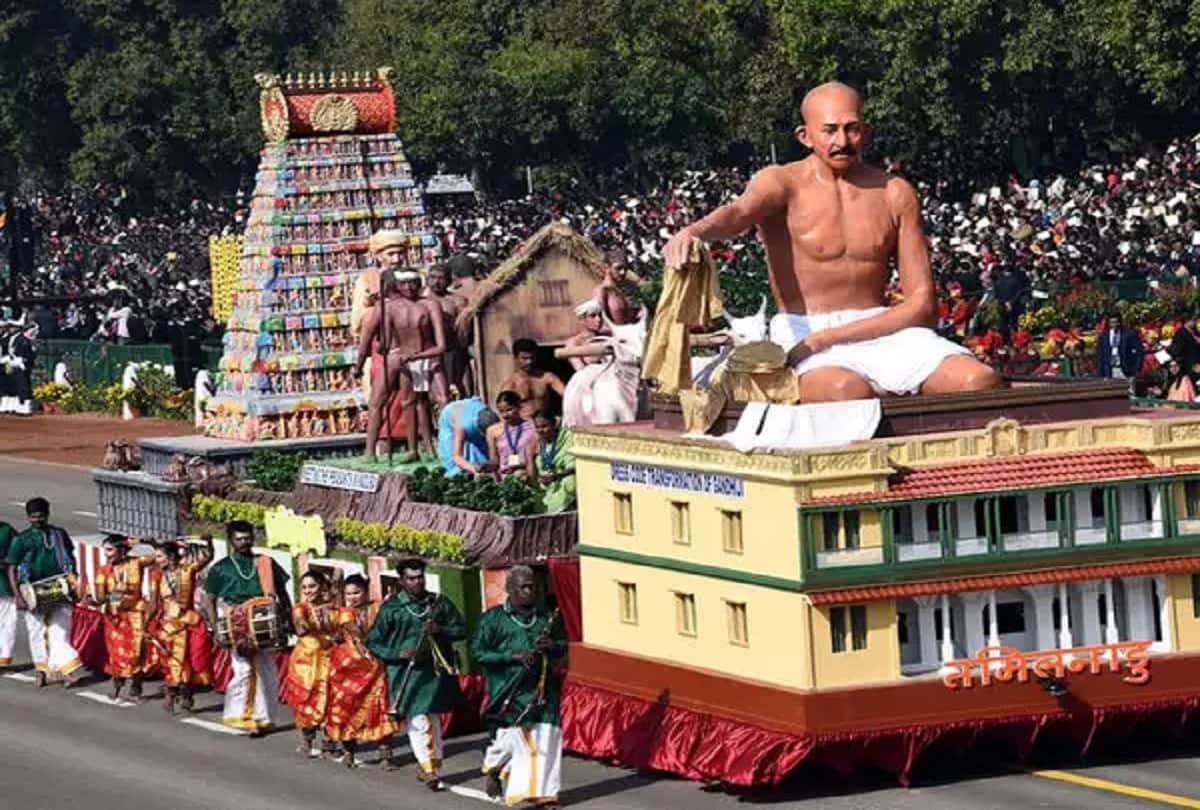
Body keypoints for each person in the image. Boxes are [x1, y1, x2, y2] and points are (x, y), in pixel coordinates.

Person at [662, 81, 1002, 401]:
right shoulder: (781, 183)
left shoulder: (895, 192)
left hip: (879, 329)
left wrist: (826, 339)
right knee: (847, 392)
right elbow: (738, 213)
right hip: (801, 330)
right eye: (830, 130)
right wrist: (693, 232)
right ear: (805, 136)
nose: (843, 140)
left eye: (852, 128)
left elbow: (922, 305)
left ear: (865, 132)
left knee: (977, 381)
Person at [365, 558, 466, 790]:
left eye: (420, 577)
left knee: (433, 721)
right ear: (401, 580)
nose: (417, 582)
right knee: (418, 720)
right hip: (405, 675)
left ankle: (430, 766)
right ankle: (429, 769)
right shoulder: (391, 609)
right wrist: (398, 653)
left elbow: (461, 629)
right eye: (411, 578)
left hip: (435, 672)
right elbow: (373, 641)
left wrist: (440, 631)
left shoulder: (438, 603)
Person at [471, 566, 567, 809]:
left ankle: (545, 794)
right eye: (524, 587)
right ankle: (494, 768)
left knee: (547, 737)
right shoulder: (492, 619)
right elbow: (478, 652)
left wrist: (552, 645)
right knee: (510, 741)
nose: (529, 591)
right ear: (510, 589)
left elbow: (563, 646)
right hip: (509, 691)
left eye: (532, 586)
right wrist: (512, 656)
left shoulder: (546, 617)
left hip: (544, 689)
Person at [204, 521, 291, 735]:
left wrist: (288, 619)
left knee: (266, 669)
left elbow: (282, 592)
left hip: (265, 621)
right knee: (244, 669)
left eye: (248, 538)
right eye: (239, 539)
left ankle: (264, 718)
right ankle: (245, 716)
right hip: (237, 624)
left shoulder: (265, 563)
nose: (244, 542)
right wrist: (216, 629)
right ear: (231, 541)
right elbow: (209, 600)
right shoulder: (221, 568)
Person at [354, 268, 447, 462]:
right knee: (399, 403)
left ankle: (422, 449)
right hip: (406, 358)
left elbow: (375, 342)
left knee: (413, 403)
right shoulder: (388, 308)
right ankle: (374, 452)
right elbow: (379, 341)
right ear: (396, 285)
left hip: (411, 358)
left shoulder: (419, 306)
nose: (408, 287)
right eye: (404, 283)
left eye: (412, 283)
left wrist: (361, 364)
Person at [6, 497, 86, 687]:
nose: (38, 520)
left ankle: (67, 671)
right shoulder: (22, 539)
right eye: (34, 517)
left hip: (61, 588)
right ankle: (42, 670)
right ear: (28, 517)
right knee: (37, 632)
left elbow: (71, 558)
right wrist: (17, 596)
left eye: (41, 516)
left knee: (60, 631)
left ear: (48, 515)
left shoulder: (59, 534)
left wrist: (74, 583)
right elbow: (12, 568)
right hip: (32, 592)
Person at [325, 574, 399, 769]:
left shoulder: (378, 608)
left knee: (381, 709)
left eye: (357, 592)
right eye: (348, 594)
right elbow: (346, 634)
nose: (353, 597)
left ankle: (385, 755)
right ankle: (349, 750)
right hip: (347, 668)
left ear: (365, 591)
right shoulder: (343, 613)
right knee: (346, 709)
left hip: (374, 666)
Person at [150, 537, 213, 714]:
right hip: (169, 625)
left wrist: (208, 543)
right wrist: (147, 625)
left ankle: (186, 693)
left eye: (160, 556)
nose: (157, 560)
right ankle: (171, 693)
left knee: (191, 660)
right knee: (172, 661)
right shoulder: (157, 575)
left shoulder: (188, 570)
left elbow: (208, 557)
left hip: (190, 622)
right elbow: (154, 604)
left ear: (171, 556)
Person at [283, 569, 337, 758]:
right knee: (307, 698)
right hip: (306, 660)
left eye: (312, 586)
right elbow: (300, 624)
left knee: (331, 698)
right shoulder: (301, 608)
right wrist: (305, 625)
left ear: (321, 586)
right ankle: (307, 738)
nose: (308, 591)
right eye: (304, 587)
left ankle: (329, 742)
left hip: (330, 657)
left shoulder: (333, 607)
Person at [93, 534, 154, 701]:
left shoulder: (136, 562)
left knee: (137, 649)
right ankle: (117, 685)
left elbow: (156, 556)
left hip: (136, 613)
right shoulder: (103, 571)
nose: (107, 554)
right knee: (117, 653)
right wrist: (111, 596)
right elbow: (99, 597)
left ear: (121, 550)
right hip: (115, 617)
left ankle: (136, 682)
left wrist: (142, 542)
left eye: (110, 550)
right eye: (105, 550)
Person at [426, 263, 472, 401]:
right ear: (427, 279)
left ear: (448, 281)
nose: (436, 282)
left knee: (460, 390)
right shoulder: (420, 300)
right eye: (433, 277)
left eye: (441, 278)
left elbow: (463, 330)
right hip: (428, 351)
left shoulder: (456, 301)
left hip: (452, 351)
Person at [498, 338, 566, 418]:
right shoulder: (511, 384)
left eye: (532, 357)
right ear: (515, 358)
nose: (529, 361)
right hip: (523, 425)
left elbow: (567, 394)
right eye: (524, 358)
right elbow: (504, 409)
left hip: (545, 424)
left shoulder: (546, 377)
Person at [525, 411, 577, 513]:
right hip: (546, 486)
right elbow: (532, 476)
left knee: (570, 482)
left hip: (563, 481)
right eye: (537, 427)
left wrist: (556, 476)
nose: (541, 430)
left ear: (554, 425)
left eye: (544, 426)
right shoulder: (537, 443)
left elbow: (574, 467)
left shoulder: (567, 438)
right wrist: (530, 456)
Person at [437, 396, 500, 477]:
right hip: (450, 417)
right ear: (481, 431)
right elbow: (456, 456)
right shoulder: (462, 425)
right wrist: (473, 469)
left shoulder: (493, 420)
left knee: (483, 459)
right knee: (455, 470)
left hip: (470, 410)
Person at [487, 390, 537, 478]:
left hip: (526, 473)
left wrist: (519, 466)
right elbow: (494, 460)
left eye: (509, 409)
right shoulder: (493, 431)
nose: (505, 415)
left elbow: (537, 455)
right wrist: (486, 466)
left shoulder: (532, 426)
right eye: (501, 411)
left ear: (518, 407)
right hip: (505, 476)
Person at [562, 300, 608, 372]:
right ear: (582, 320)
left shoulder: (607, 338)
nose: (598, 319)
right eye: (593, 316)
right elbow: (580, 370)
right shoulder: (574, 342)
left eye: (600, 315)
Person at [1096, 312, 1145, 380]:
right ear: (1109, 323)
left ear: (1120, 322)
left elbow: (1139, 351)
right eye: (1112, 322)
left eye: (1116, 322)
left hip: (1126, 370)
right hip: (1110, 371)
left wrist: (1135, 370)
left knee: (1129, 390)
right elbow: (1100, 355)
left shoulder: (1129, 334)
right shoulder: (1103, 336)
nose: (1114, 325)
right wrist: (1101, 373)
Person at [0, 520, 17, 668]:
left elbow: (20, 552)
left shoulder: (6, 531)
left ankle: (4, 659)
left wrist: (5, 563)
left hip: (4, 584)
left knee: (6, 623)